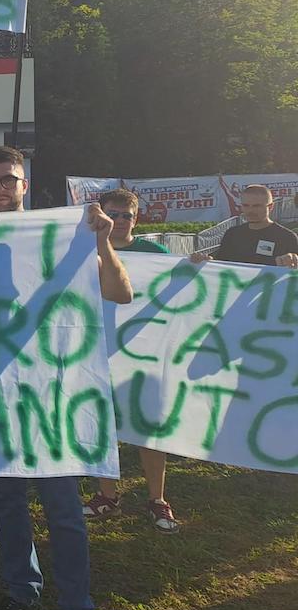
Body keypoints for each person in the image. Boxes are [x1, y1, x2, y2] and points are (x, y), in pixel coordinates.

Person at [0, 147, 132, 610]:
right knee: (7, 502)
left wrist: (103, 244)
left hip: (54, 394)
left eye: (9, 179)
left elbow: (120, 293)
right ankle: (21, 591)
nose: (0, 187)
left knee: (62, 507)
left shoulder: (64, 231)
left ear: (25, 184)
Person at [80, 189, 178, 533]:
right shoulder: (82, 250)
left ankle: (157, 499)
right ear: (100, 215)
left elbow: (184, 288)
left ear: (137, 219)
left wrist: (199, 269)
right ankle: (107, 495)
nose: (120, 221)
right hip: (95, 353)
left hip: (142, 355)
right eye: (113, 214)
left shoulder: (155, 253)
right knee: (101, 425)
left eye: (127, 216)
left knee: (148, 427)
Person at [193, 184, 298, 268]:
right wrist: (206, 263)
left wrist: (293, 263)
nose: (250, 211)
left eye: (257, 206)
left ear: (270, 207)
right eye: (246, 205)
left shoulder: (287, 238)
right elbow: (221, 267)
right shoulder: (232, 234)